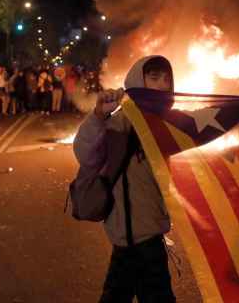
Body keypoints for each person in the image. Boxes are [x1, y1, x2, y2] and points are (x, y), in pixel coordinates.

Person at [73, 56, 176, 302]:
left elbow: (204, 124)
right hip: (130, 238)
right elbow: (85, 153)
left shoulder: (167, 124)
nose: (162, 84)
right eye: (154, 77)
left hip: (146, 234)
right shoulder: (120, 121)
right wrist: (98, 116)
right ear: (136, 80)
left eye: (167, 78)